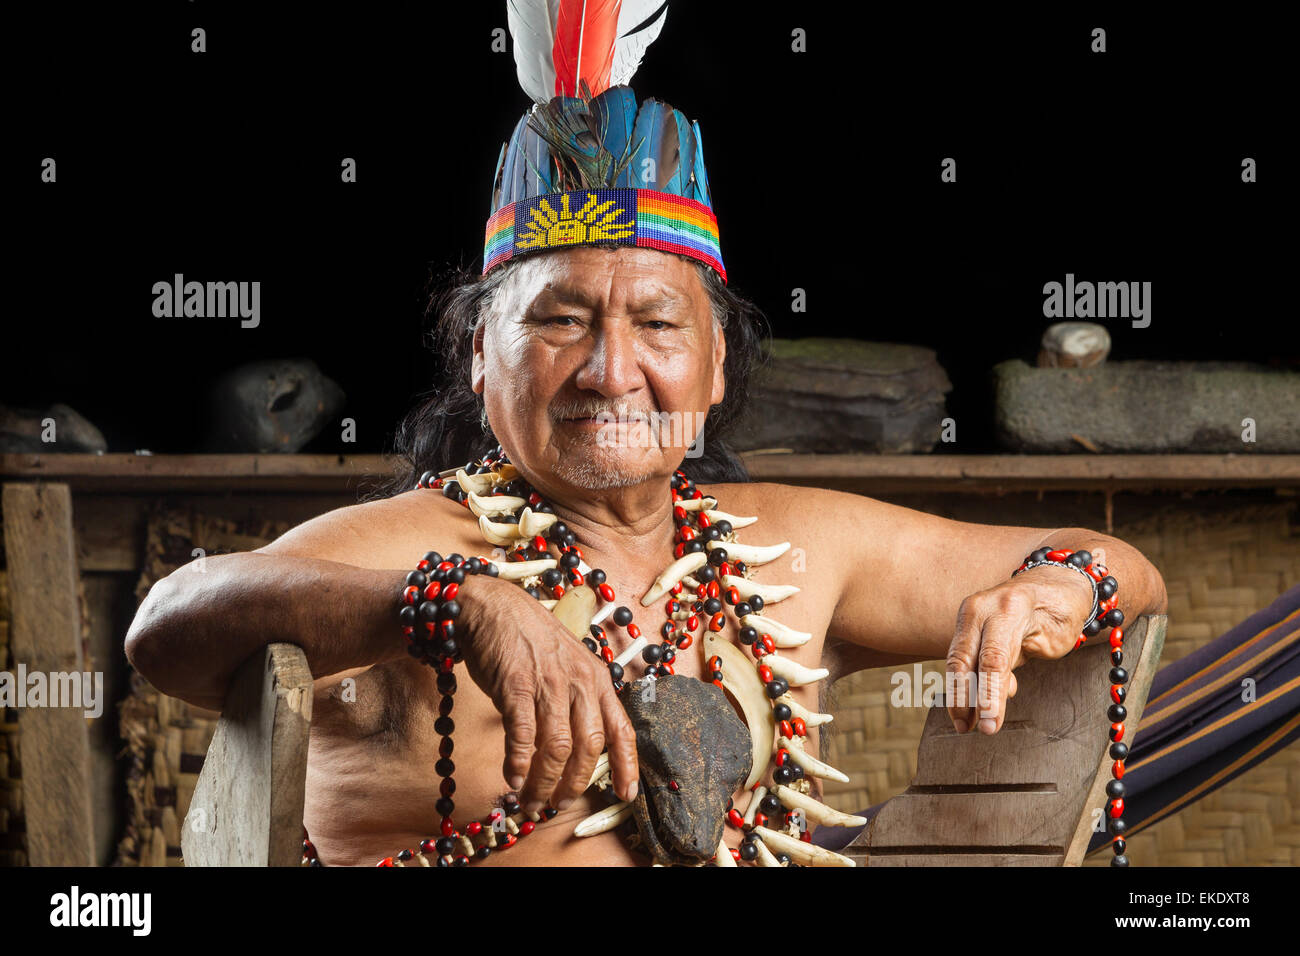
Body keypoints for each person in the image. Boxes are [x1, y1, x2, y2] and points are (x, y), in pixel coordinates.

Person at [124, 3, 1168, 865]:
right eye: (561, 319)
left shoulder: (798, 548)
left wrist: (1050, 591)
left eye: (658, 323)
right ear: (480, 354)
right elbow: (169, 624)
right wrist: (452, 604)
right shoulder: (407, 551)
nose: (612, 368)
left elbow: (1118, 566)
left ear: (714, 364)